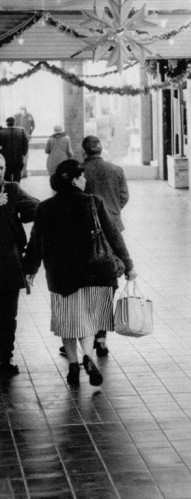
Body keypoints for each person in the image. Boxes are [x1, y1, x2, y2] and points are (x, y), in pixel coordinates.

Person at [23, 160, 137, 387]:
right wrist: (129, 265)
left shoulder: (45, 207)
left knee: (67, 321)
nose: (85, 181)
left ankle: (73, 367)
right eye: (82, 177)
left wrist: (30, 270)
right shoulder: (93, 202)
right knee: (87, 321)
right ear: (75, 179)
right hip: (94, 272)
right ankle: (88, 357)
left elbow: (37, 243)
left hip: (61, 276)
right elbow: (114, 236)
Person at [81, 135, 129, 357]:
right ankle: (101, 337)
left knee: (86, 283)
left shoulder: (79, 172)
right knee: (108, 282)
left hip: (85, 232)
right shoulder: (116, 169)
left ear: (84, 152)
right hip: (112, 231)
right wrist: (113, 213)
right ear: (101, 150)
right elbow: (123, 196)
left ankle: (84, 336)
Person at [0, 155, 39, 378]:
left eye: (2, 167)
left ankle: (5, 357)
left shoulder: (12, 190)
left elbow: (36, 208)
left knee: (8, 316)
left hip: (8, 265)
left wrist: (19, 213)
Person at [0, 118, 28, 183]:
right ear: (14, 122)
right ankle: (16, 190)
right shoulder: (21, 131)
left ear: (6, 123)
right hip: (18, 158)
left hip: (6, 159)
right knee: (17, 176)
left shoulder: (1, 132)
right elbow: (25, 144)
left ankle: (9, 191)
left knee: (7, 177)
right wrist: (23, 153)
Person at [12, 106, 34, 178]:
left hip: (26, 136)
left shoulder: (29, 116)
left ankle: (24, 171)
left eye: (23, 109)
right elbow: (13, 125)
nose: (22, 110)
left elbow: (33, 125)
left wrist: (29, 133)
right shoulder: (16, 116)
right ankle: (20, 171)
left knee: (25, 154)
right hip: (19, 137)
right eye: (21, 109)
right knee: (19, 154)